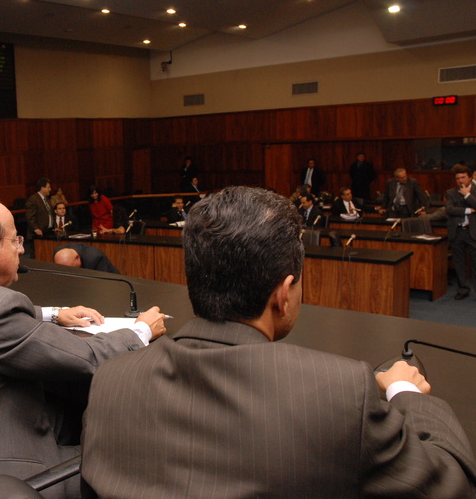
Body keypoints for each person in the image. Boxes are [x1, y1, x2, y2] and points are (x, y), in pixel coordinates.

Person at [81, 186, 476, 499]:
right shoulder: (339, 393)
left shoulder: (111, 379)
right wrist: (407, 393)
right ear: (284, 294)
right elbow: (452, 484)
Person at [0, 196, 166, 499]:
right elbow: (87, 357)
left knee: (73, 409)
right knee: (133, 451)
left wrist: (53, 313)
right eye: (15, 240)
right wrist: (141, 330)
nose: (21, 248)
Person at [445, 164, 476, 300]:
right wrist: (469, 210)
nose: (460, 180)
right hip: (457, 231)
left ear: (470, 178)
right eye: (457, 178)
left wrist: (467, 195)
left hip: (473, 232)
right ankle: (463, 289)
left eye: (463, 177)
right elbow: (449, 209)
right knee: (459, 263)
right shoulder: (451, 192)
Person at [25, 177, 53, 257]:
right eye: (48, 187)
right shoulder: (33, 199)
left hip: (48, 232)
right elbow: (30, 217)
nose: (50, 189)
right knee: (37, 256)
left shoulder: (47, 199)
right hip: (37, 235)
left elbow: (50, 214)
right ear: (42, 187)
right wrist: (36, 229)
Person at [53, 243, 120, 274]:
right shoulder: (58, 253)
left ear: (77, 258)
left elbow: (103, 284)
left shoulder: (95, 258)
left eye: (69, 269)